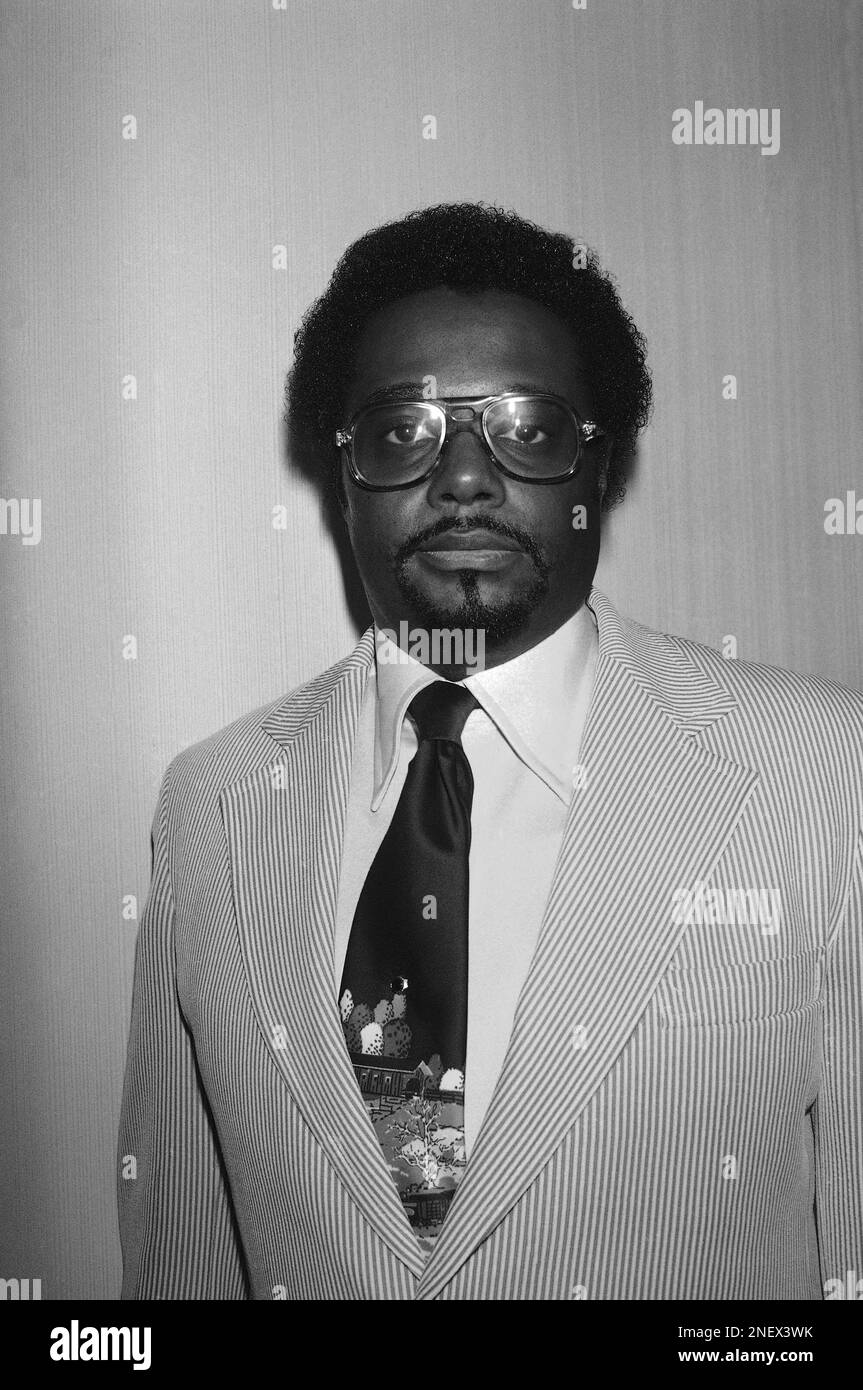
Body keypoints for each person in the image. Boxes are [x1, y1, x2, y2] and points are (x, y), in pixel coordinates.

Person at [118, 202, 863, 1300]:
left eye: (526, 425)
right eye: (400, 431)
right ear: (341, 473)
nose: (463, 474)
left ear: (595, 469)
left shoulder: (821, 776)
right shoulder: (210, 808)